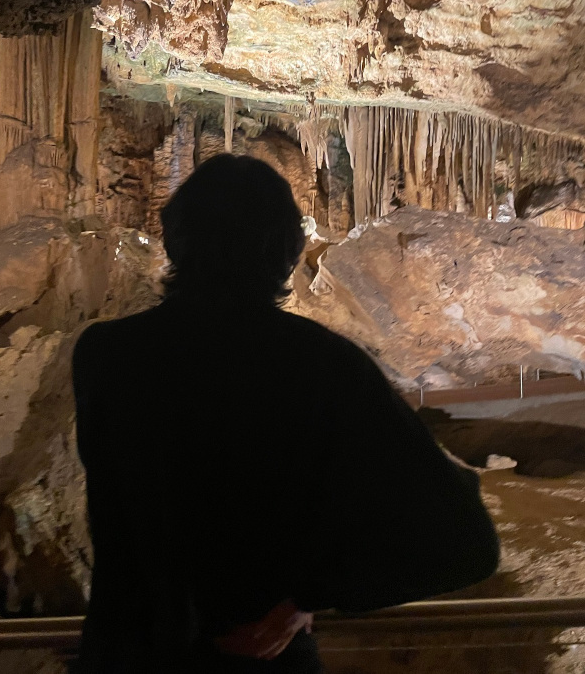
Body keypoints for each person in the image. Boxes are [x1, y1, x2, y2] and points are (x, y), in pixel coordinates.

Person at [72, 154, 499, 674]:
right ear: (288, 250)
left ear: (173, 241)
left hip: (129, 654)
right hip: (255, 653)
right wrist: (310, 594)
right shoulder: (322, 365)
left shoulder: (104, 357)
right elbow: (462, 540)